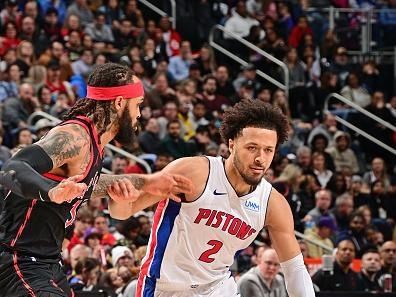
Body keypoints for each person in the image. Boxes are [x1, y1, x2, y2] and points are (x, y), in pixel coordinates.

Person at [0, 63, 193, 297]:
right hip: (18, 258)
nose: (140, 114)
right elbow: (13, 168)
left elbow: (91, 184)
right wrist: (52, 191)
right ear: (120, 103)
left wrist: (147, 182)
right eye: (138, 105)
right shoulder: (75, 136)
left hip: (48, 263)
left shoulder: (94, 145)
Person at [133, 99, 315, 296]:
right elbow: (122, 209)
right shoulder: (195, 172)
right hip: (165, 286)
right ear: (231, 144)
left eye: (268, 150)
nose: (260, 158)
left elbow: (295, 270)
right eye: (252, 147)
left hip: (218, 289)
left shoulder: (273, 203)